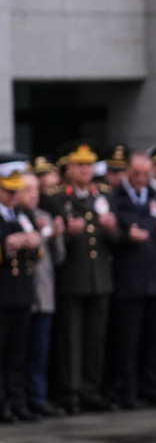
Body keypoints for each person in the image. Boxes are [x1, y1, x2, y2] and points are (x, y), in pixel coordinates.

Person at [41, 142, 117, 414]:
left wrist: (112, 229)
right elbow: (53, 240)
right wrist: (67, 234)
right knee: (70, 339)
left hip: (99, 277)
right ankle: (69, 391)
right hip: (73, 277)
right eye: (80, 165)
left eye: (89, 165)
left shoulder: (103, 194)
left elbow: (117, 238)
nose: (86, 170)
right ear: (68, 168)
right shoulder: (56, 197)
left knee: (95, 338)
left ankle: (90, 388)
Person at [111, 152, 156, 409]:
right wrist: (126, 235)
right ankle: (128, 391)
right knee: (128, 343)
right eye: (136, 173)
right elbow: (110, 235)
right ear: (126, 171)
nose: (140, 179)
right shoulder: (116, 197)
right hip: (130, 281)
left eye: (145, 174)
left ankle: (154, 388)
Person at [0, 156, 41, 423]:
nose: (14, 196)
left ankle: (18, 401)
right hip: (2, 295)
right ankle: (3, 403)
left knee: (18, 353)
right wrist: (6, 245)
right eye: (8, 190)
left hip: (21, 293)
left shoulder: (23, 215)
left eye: (17, 191)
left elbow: (37, 253)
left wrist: (34, 242)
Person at [20, 171, 63, 418]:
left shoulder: (44, 217)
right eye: (27, 190)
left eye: (36, 189)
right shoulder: (16, 217)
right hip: (22, 295)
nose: (34, 194)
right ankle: (21, 397)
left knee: (40, 351)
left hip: (44, 295)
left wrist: (56, 237)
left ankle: (39, 396)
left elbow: (58, 259)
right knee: (19, 352)